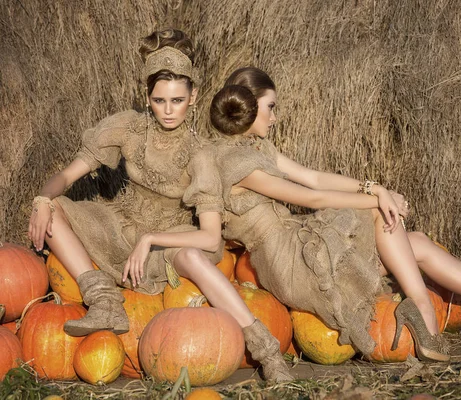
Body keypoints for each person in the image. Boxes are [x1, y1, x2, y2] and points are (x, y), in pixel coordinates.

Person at [202, 67, 461, 362]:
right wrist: (378, 200)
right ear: (246, 107)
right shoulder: (235, 162)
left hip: (299, 246)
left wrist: (374, 188)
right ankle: (426, 315)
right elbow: (309, 197)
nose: (275, 116)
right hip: (289, 263)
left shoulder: (258, 148)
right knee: (384, 219)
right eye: (270, 107)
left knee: (420, 245)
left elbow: (314, 177)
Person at [27, 31, 292, 382]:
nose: (168, 110)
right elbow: (67, 175)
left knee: (194, 258)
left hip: (171, 239)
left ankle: (266, 350)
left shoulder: (202, 156)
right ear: (147, 97)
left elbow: (212, 238)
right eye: (159, 100)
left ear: (193, 97)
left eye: (178, 100)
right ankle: (103, 300)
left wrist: (151, 238)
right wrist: (43, 200)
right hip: (121, 222)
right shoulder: (129, 127)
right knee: (57, 207)